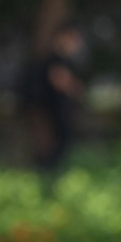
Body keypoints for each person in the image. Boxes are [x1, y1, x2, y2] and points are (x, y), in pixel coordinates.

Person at [27, 20, 86, 170]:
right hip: (50, 110)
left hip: (57, 110)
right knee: (53, 146)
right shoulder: (54, 59)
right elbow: (60, 81)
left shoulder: (63, 60)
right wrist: (76, 88)